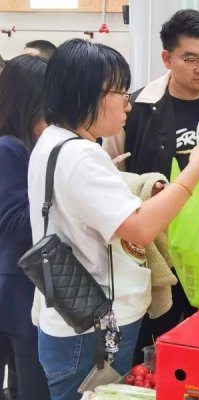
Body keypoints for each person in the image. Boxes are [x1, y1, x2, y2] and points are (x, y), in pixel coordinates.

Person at [29, 38, 199, 400]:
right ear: (86, 95)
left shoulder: (55, 141)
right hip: (93, 330)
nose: (128, 104)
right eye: (120, 93)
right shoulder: (81, 155)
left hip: (73, 317)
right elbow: (141, 228)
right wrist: (195, 170)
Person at [102, 9, 199, 364]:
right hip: (157, 254)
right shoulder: (137, 109)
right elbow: (113, 173)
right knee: (154, 353)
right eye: (191, 59)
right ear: (167, 59)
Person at [0, 55, 51, 400]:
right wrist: (60, 188)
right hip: (18, 283)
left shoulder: (29, 147)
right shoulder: (8, 148)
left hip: (25, 282)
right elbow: (14, 222)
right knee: (32, 383)